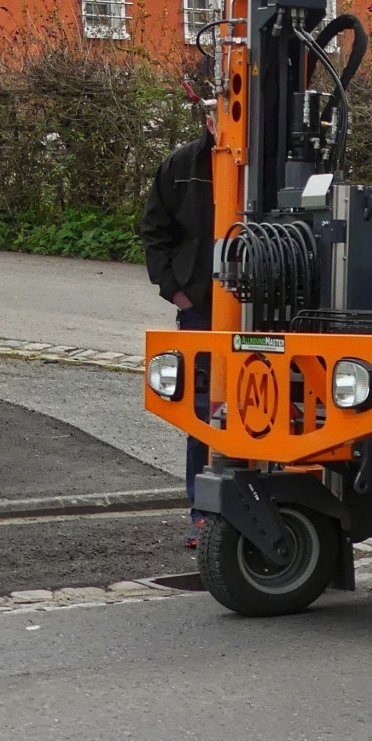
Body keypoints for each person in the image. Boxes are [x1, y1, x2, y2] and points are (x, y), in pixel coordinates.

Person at [139, 112, 215, 548]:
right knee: (203, 410)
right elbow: (155, 228)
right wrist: (174, 290)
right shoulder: (182, 166)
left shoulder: (277, 161)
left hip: (266, 304)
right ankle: (202, 512)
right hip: (201, 306)